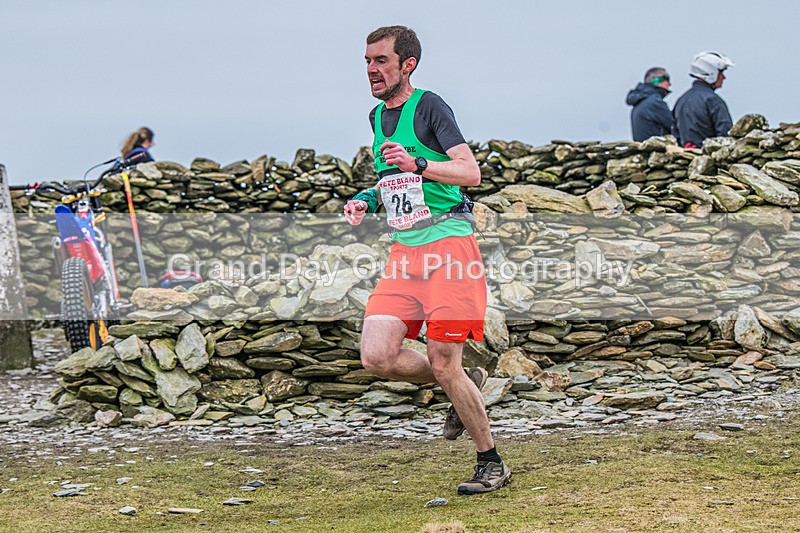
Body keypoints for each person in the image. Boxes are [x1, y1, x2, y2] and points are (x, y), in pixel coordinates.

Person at [343, 25, 511, 495]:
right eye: (367, 61)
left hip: (450, 249)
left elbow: (469, 172)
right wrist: (365, 200)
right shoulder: (377, 118)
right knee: (376, 355)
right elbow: (391, 182)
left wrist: (419, 163)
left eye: (381, 61)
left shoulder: (431, 107)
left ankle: (490, 461)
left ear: (407, 64)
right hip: (404, 252)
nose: (372, 69)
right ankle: (468, 382)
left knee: (442, 362)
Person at [672, 52, 735, 148]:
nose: (724, 77)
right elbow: (726, 135)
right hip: (710, 158)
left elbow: (675, 133)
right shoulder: (713, 100)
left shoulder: (681, 101)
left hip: (686, 159)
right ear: (711, 72)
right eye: (721, 72)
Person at [626, 67, 673, 141]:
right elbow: (674, 125)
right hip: (656, 150)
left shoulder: (639, 102)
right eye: (667, 79)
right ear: (657, 80)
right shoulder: (655, 103)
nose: (670, 84)